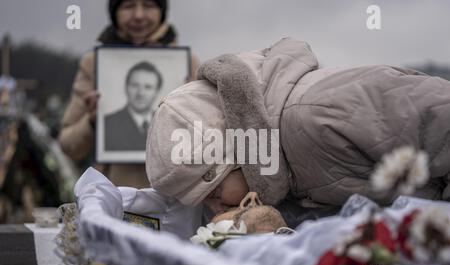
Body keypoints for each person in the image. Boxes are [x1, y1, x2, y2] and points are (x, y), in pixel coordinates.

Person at [145, 37, 450, 214]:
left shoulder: (317, 112)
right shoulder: (281, 165)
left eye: (213, 193)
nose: (215, 210)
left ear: (237, 157)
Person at [59, 0, 198, 188]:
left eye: (148, 5)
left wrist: (194, 114)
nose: (139, 15)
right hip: (114, 197)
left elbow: (208, 144)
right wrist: (92, 121)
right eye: (128, 6)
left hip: (174, 197)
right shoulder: (93, 64)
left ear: (161, 11)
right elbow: (68, 146)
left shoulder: (187, 64)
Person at [104, 61, 162, 151]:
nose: (140, 93)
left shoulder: (166, 123)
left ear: (157, 92)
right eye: (135, 85)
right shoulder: (107, 124)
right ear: (126, 87)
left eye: (148, 87)